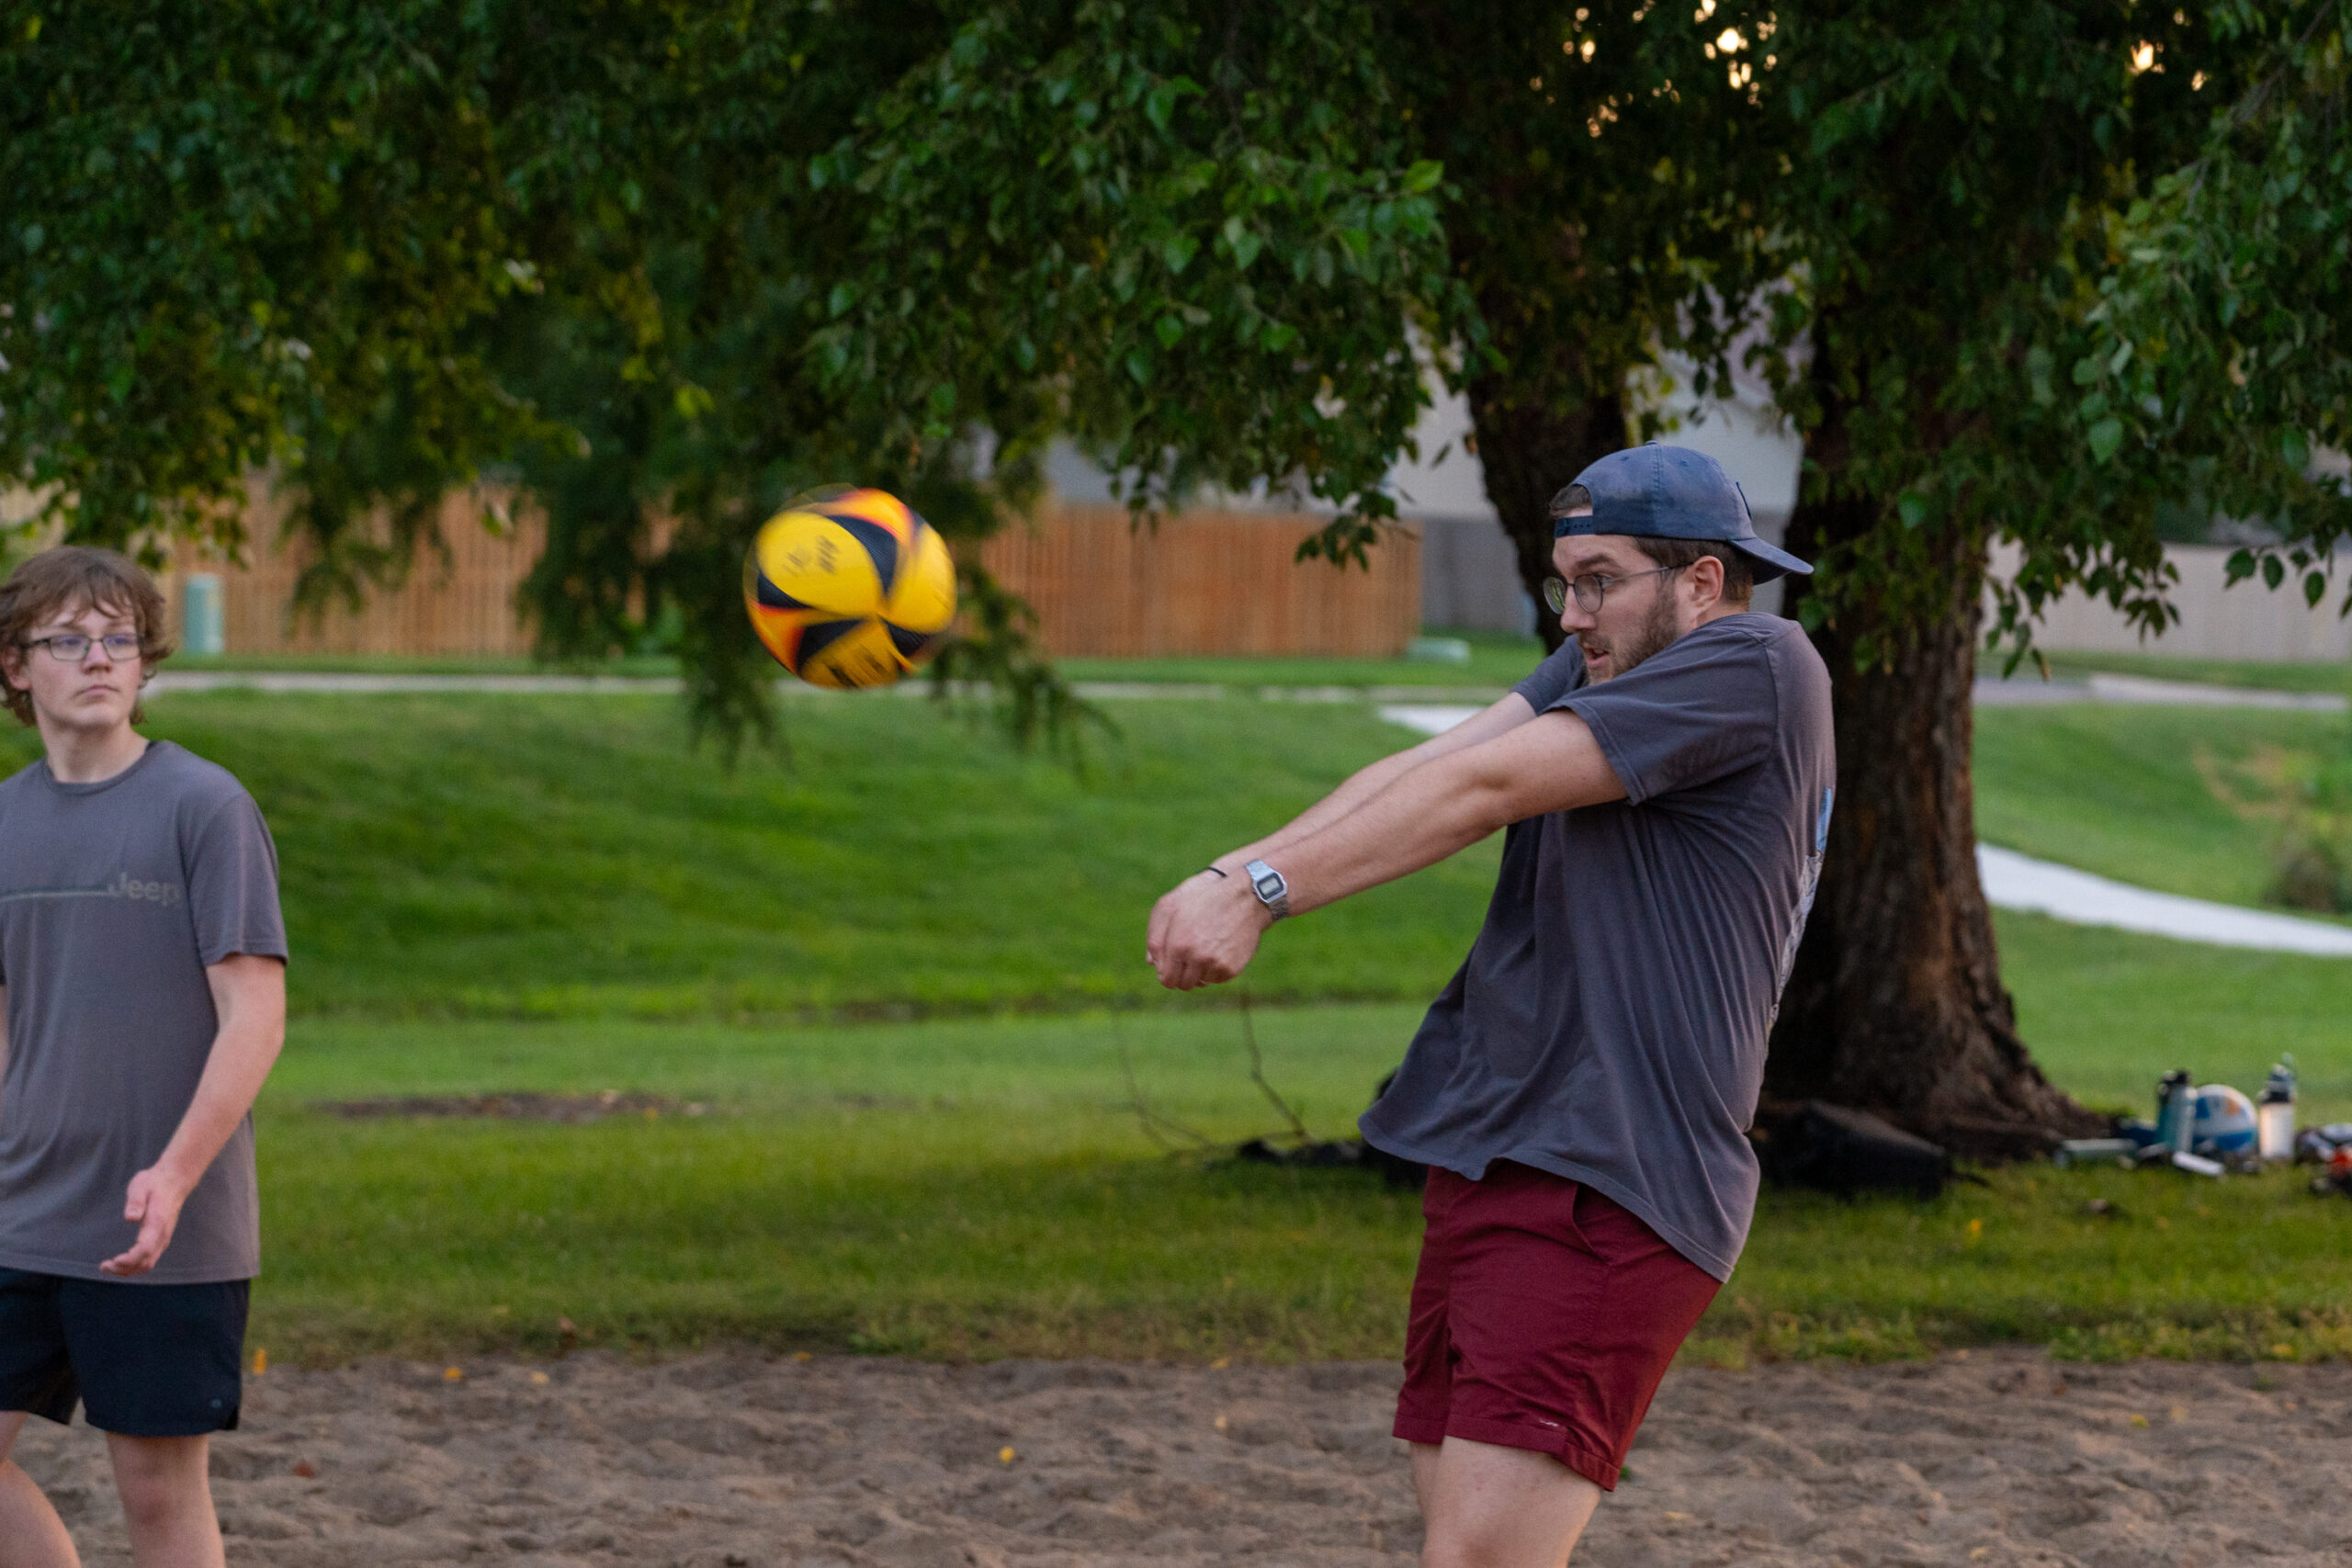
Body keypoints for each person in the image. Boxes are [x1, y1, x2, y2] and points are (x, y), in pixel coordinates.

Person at [1148, 443, 1834, 1567]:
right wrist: (1233, 873)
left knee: (1475, 1557)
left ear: (1703, 581)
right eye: (1565, 583)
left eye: (1599, 581)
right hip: (1503, 1149)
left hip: (1615, 1177)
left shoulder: (1756, 662)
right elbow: (1435, 764)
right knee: (1464, 1547)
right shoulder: (1606, 666)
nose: (1573, 614)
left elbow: (1485, 789)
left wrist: (1265, 894)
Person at [0, 547, 288, 1568]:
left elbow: (255, 1015)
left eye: (118, 638)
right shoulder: (3, 819)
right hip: (22, 1207)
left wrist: (174, 1172)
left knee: (157, 1491)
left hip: (166, 1222)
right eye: (69, 639)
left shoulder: (204, 806)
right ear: (14, 666)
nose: (99, 658)